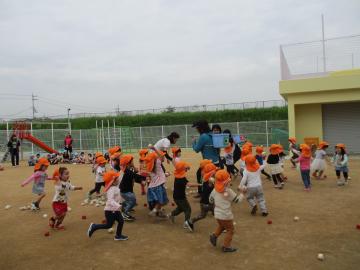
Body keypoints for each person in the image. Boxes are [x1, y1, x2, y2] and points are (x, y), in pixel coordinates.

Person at [209, 170, 245, 253]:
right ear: (226, 182)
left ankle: (214, 236)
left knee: (222, 226)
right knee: (230, 230)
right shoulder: (229, 191)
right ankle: (226, 246)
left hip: (217, 214)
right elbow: (237, 200)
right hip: (226, 215)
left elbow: (210, 200)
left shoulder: (214, 190)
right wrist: (242, 193)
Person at [87, 171, 128, 241]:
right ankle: (94, 226)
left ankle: (118, 236)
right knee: (108, 225)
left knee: (121, 221)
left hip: (115, 210)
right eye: (117, 178)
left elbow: (118, 196)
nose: (118, 179)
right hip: (110, 210)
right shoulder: (111, 189)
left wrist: (122, 201)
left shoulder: (114, 187)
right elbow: (110, 200)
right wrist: (118, 205)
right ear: (113, 181)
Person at [168, 161, 199, 232]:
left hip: (177, 197)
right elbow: (189, 185)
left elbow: (183, 168)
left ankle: (171, 215)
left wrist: (187, 167)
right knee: (188, 209)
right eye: (184, 168)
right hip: (180, 198)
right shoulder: (181, 179)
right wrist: (200, 185)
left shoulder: (178, 175)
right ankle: (186, 223)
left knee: (181, 208)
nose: (186, 169)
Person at [192, 120, 220, 197]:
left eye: (197, 128)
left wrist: (193, 142)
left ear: (200, 128)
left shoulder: (203, 136)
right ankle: (209, 194)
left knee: (204, 179)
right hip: (216, 161)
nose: (196, 130)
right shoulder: (212, 134)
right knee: (212, 179)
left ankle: (203, 195)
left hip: (208, 164)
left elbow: (196, 149)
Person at [119, 154, 146, 221]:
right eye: (132, 161)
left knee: (131, 200)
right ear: (128, 163)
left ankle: (124, 206)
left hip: (127, 190)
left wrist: (141, 180)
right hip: (125, 190)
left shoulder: (129, 169)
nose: (133, 162)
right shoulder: (127, 171)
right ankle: (124, 213)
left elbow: (135, 177)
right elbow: (135, 176)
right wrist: (144, 179)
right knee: (133, 201)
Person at [145, 151, 169, 217]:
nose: (163, 157)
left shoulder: (152, 166)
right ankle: (155, 211)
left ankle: (158, 210)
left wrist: (166, 174)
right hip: (157, 187)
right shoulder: (157, 164)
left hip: (155, 186)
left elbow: (159, 174)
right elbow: (160, 158)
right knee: (161, 201)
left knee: (162, 200)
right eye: (163, 156)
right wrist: (154, 149)